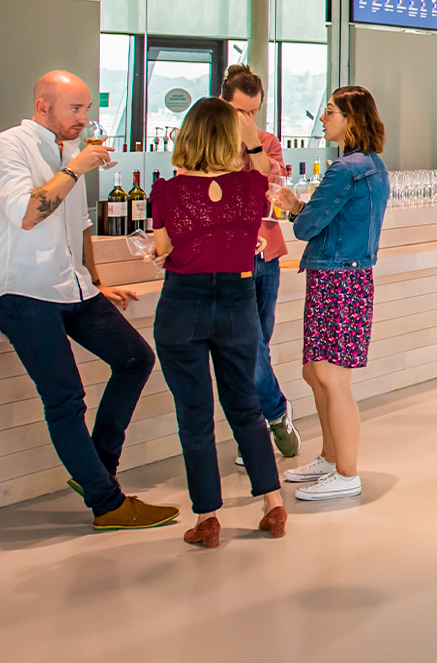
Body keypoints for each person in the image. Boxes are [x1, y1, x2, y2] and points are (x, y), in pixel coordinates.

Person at [0, 71, 179, 531]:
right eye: (75, 110)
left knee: (136, 358)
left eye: (87, 110)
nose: (86, 119)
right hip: (23, 293)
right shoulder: (11, 147)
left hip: (73, 286)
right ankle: (107, 503)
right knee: (65, 399)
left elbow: (78, 227)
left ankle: (95, 469)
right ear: (43, 106)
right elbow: (27, 212)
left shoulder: (67, 153)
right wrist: (78, 167)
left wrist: (95, 281)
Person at [150, 98, 287, 547]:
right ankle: (273, 504)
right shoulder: (250, 187)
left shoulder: (166, 192)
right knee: (245, 406)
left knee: (195, 416)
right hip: (237, 300)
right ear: (232, 139)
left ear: (185, 138)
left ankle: (208, 517)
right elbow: (271, 173)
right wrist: (251, 140)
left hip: (182, 304)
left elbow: (161, 250)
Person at [268, 87, 390, 502]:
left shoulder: (344, 169)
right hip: (349, 277)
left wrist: (291, 208)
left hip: (336, 279)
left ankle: (347, 472)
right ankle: (330, 454)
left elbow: (305, 229)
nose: (324, 118)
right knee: (316, 372)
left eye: (331, 111)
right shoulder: (373, 166)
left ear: (351, 119)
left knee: (332, 376)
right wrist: (298, 205)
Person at [220, 64, 301, 464]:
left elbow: (271, 190)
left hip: (264, 255)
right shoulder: (206, 140)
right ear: (223, 104)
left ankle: (249, 435)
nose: (247, 119)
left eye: (254, 111)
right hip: (224, 259)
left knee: (258, 345)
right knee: (245, 345)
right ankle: (273, 413)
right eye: (240, 111)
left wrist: (252, 145)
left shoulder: (267, 142)